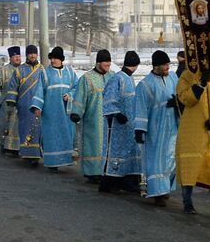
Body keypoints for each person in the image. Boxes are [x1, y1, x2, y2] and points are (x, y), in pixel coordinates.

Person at [175, 52, 210, 216]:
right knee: (190, 168)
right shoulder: (187, 76)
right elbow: (186, 99)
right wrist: (200, 84)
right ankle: (187, 202)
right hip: (191, 132)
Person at [133, 51, 179, 205]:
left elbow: (181, 95)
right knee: (156, 161)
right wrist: (140, 129)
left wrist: (178, 103)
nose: (167, 67)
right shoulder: (145, 84)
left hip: (173, 126)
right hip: (155, 129)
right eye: (165, 65)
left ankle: (165, 189)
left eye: (168, 64)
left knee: (171, 159)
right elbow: (140, 108)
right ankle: (158, 193)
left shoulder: (173, 78)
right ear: (156, 66)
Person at [100, 51, 142, 192]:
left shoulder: (129, 79)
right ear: (136, 65)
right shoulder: (118, 78)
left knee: (128, 152)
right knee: (115, 153)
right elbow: (108, 98)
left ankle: (125, 182)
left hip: (128, 125)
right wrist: (117, 114)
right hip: (117, 126)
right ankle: (109, 183)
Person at [31, 47, 77, 172]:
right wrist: (37, 106)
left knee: (66, 135)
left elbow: (77, 88)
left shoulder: (70, 72)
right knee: (51, 136)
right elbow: (40, 90)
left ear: (61, 59)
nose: (52, 61)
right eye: (51, 58)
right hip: (50, 112)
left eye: (55, 58)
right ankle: (52, 163)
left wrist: (70, 95)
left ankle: (66, 159)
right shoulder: (45, 72)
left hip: (65, 112)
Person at [69, 50, 112, 184]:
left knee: (107, 146)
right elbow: (80, 97)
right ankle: (92, 172)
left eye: (109, 62)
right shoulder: (86, 78)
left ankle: (106, 171)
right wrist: (76, 112)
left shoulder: (113, 77)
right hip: (93, 119)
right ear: (98, 62)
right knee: (93, 145)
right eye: (105, 62)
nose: (108, 65)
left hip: (109, 120)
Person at [9, 46, 44, 165]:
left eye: (34, 54)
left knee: (38, 130)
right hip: (24, 105)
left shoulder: (42, 70)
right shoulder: (20, 70)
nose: (33, 56)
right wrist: (11, 100)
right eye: (30, 54)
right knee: (25, 128)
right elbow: (13, 87)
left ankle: (36, 155)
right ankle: (26, 153)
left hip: (39, 106)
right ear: (27, 55)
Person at [0, 47, 23, 154]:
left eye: (19, 56)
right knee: (3, 124)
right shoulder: (4, 70)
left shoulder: (24, 69)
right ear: (10, 58)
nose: (17, 58)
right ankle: (3, 144)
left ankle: (15, 148)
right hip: (5, 101)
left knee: (15, 125)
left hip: (19, 102)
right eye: (15, 56)